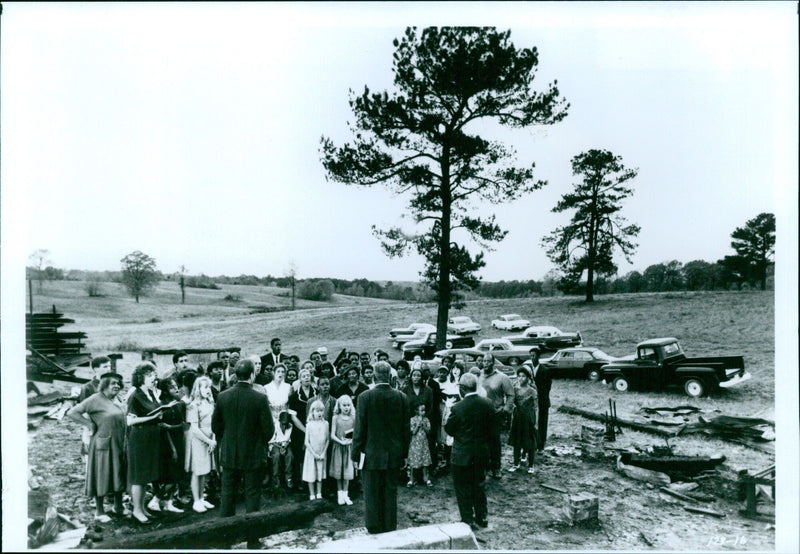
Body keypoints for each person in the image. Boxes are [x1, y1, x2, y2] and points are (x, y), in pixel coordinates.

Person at [351, 361, 410, 534]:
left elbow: (359, 429)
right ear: (390, 376)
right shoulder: (401, 397)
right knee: (390, 492)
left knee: (371, 492)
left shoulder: (365, 397)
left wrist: (355, 455)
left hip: (371, 455)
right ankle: (390, 526)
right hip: (394, 454)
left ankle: (374, 526)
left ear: (374, 376)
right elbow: (405, 431)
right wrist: (404, 455)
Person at [211, 359, 274, 516]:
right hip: (252, 454)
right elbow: (269, 430)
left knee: (227, 496)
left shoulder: (222, 396)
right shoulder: (259, 398)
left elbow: (215, 427)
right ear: (252, 375)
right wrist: (258, 442)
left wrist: (228, 440)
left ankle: (225, 538)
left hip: (229, 453)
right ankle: (252, 539)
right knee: (252, 495)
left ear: (236, 374)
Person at [67, 371, 127, 522]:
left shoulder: (117, 399)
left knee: (118, 472)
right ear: (105, 384)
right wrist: (89, 424)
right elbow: (72, 412)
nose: (117, 386)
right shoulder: (95, 399)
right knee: (102, 474)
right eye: (113, 383)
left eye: (119, 383)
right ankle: (99, 512)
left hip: (119, 442)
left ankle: (118, 507)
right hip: (103, 444)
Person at [444, 373, 495, 531]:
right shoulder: (488, 403)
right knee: (479, 485)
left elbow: (449, 429)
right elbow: (492, 430)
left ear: (463, 388)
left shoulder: (457, 407)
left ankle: (468, 519)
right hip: (481, 453)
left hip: (462, 455)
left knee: (462, 488)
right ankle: (482, 517)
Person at [126, 362, 165, 523]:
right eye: (149, 375)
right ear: (140, 377)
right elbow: (130, 421)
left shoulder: (150, 393)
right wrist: (153, 418)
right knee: (138, 476)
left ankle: (142, 507)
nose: (153, 378)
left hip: (151, 438)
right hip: (140, 438)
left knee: (145, 476)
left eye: (153, 375)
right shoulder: (135, 395)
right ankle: (136, 510)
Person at [149, 377, 187, 514]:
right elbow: (163, 428)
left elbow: (181, 424)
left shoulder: (178, 404)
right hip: (168, 443)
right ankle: (156, 499)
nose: (176, 389)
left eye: (176, 386)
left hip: (179, 440)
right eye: (171, 387)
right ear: (165, 390)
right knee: (172, 475)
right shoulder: (163, 405)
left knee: (178, 474)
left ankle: (168, 502)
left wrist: (173, 426)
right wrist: (172, 448)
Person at [478, 353, 514, 479]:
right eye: (484, 361)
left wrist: (506, 410)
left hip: (495, 414)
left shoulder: (502, 377)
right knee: (481, 442)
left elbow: (510, 395)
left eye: (488, 361)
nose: (485, 364)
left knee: (494, 442)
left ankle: (496, 467)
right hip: (480, 415)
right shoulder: (478, 376)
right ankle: (484, 467)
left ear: (493, 363)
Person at [185, 376, 217, 513]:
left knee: (205, 470)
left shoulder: (210, 403)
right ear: (198, 389)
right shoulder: (193, 405)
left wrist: (213, 439)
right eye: (205, 387)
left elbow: (214, 423)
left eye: (209, 387)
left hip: (209, 439)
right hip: (198, 440)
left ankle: (202, 497)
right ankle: (196, 500)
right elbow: (194, 429)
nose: (208, 390)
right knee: (197, 471)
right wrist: (208, 440)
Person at [77, 356, 112, 467]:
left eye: (110, 366)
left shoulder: (113, 385)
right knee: (93, 463)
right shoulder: (88, 388)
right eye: (105, 366)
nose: (109, 369)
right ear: (96, 369)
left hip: (110, 428)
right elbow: (83, 412)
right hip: (94, 429)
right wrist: (90, 427)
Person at [289, 365, 317, 489]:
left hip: (315, 429)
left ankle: (315, 479)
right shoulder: (294, 397)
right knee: (300, 455)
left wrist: (312, 428)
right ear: (299, 379)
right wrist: (305, 430)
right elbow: (293, 417)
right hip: (299, 431)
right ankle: (300, 481)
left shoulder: (317, 394)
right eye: (304, 376)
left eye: (308, 376)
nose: (306, 378)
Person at [508, 366, 538, 474]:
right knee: (516, 441)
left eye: (523, 376)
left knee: (529, 441)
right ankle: (516, 463)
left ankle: (531, 464)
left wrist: (536, 422)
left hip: (528, 418)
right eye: (519, 376)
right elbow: (510, 402)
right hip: (517, 418)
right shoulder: (514, 389)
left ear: (528, 378)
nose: (521, 378)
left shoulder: (532, 391)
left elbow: (535, 407)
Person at [329, 395, 355, 505]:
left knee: (347, 472)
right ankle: (339, 494)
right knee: (339, 472)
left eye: (348, 405)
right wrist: (340, 442)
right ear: (339, 406)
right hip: (338, 447)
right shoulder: (335, 418)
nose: (346, 408)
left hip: (349, 447)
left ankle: (346, 494)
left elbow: (356, 434)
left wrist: (350, 441)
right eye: (344, 405)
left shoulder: (353, 418)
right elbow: (332, 435)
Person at [302, 400, 329, 501]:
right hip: (311, 454)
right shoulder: (309, 424)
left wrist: (323, 453)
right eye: (317, 411)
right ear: (312, 411)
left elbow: (327, 440)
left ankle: (319, 493)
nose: (320, 413)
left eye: (321, 411)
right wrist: (314, 454)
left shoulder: (326, 424)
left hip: (321, 453)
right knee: (311, 474)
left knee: (320, 474)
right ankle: (312, 494)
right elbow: (306, 442)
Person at [528, 347, 552, 453]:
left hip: (542, 401)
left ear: (538, 356)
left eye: (533, 356)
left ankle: (541, 445)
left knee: (542, 423)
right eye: (530, 356)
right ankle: (533, 443)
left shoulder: (544, 370)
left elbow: (547, 387)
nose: (531, 358)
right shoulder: (529, 369)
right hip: (531, 401)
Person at [407, 403, 433, 487]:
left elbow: (428, 432)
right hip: (415, 444)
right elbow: (413, 432)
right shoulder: (412, 420)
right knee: (413, 462)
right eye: (421, 410)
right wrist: (417, 426)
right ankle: (411, 479)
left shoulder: (426, 420)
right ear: (416, 411)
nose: (423, 412)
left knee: (425, 461)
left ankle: (426, 478)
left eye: (424, 410)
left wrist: (423, 425)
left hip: (424, 444)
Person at [268, 411, 294, 490]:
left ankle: (289, 478)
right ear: (279, 421)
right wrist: (280, 448)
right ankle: (276, 478)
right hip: (275, 444)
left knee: (290, 455)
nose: (284, 426)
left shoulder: (290, 426)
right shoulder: (274, 426)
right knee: (276, 455)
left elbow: (288, 440)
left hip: (285, 445)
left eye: (286, 424)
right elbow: (271, 441)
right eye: (282, 423)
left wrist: (284, 447)